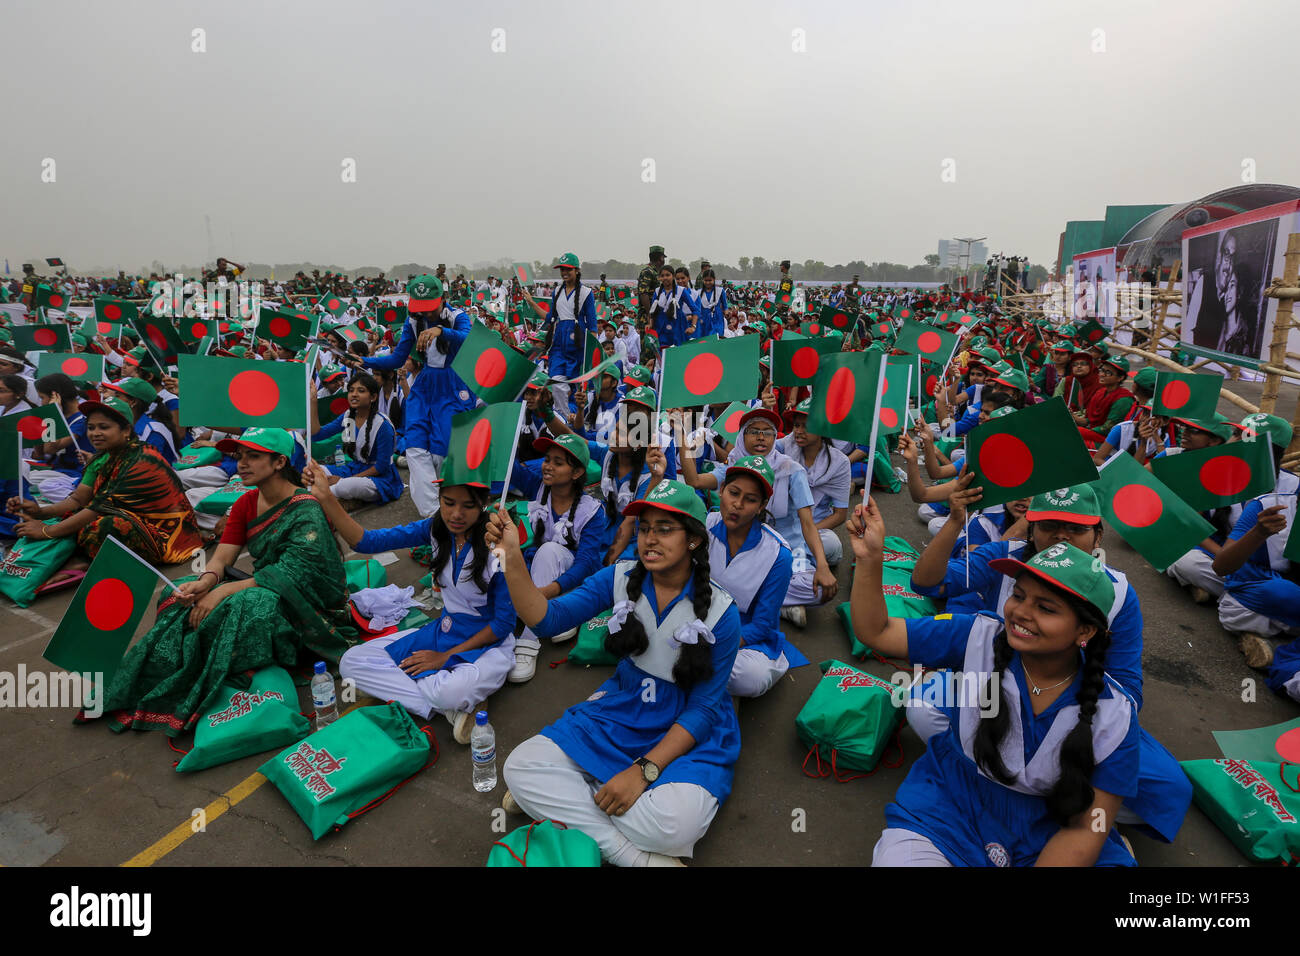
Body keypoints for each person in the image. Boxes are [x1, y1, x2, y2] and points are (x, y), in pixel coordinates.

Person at [849, 501, 1139, 867]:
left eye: (1046, 608)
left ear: (1085, 631)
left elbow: (1084, 828)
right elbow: (878, 631)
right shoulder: (977, 633)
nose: (1021, 612)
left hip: (1051, 829)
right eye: (1019, 595)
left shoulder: (1116, 714)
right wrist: (870, 558)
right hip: (951, 809)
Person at [490, 480, 742, 866]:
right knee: (519, 767)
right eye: (643, 529)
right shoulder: (619, 577)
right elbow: (546, 619)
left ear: (693, 540)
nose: (649, 539)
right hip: (623, 709)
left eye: (664, 529)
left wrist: (642, 771)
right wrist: (511, 557)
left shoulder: (723, 613)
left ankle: (567, 799)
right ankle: (635, 858)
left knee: (673, 826)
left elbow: (704, 709)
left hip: (686, 726)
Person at [81, 428, 356, 734]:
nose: (242, 464)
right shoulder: (246, 503)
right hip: (270, 585)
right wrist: (206, 581)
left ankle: (198, 668)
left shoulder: (306, 507)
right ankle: (171, 670)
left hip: (308, 606)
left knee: (243, 604)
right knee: (179, 594)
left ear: (279, 463)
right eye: (240, 456)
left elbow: (296, 572)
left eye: (253, 456)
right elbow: (223, 558)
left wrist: (224, 590)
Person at [310, 469, 515, 743]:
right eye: (449, 502)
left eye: (468, 506)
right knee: (351, 664)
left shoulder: (498, 545)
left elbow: (502, 624)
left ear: (483, 504)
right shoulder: (434, 529)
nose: (456, 514)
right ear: (439, 499)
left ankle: (447, 699)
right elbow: (366, 541)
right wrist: (326, 497)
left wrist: (445, 657)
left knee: (448, 691)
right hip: (443, 631)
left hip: (487, 645)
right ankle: (451, 710)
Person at [676, 408, 838, 626]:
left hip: (788, 549)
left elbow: (807, 523)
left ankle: (747, 597)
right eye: (753, 431)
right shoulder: (735, 465)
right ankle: (771, 602)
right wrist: (682, 440)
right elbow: (694, 480)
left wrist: (822, 565)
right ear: (742, 436)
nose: (761, 437)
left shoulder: (792, 470)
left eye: (768, 432)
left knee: (819, 590)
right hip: (744, 547)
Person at [7, 395, 202, 574]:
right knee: (73, 519)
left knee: (104, 527)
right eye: (91, 428)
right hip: (129, 517)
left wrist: (46, 531)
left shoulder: (142, 460)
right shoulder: (105, 456)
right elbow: (78, 498)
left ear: (126, 430)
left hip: (169, 534)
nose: (95, 433)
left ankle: (85, 560)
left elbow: (95, 509)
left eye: (104, 427)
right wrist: (41, 512)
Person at [351, 275, 473, 516]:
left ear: (443, 299)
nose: (426, 314)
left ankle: (446, 501)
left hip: (452, 384)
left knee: (442, 449)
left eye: (430, 309)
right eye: (422, 309)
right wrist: (364, 360)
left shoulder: (458, 316)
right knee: (416, 444)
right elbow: (397, 358)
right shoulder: (412, 322)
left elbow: (467, 337)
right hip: (425, 385)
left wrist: (441, 330)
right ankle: (432, 514)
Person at [506, 434, 609, 683]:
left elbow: (586, 564)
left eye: (558, 462)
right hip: (542, 572)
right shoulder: (539, 487)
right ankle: (554, 613)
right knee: (499, 550)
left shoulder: (592, 510)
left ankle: (529, 643)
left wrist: (545, 592)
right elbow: (513, 467)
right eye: (547, 459)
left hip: (573, 579)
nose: (548, 466)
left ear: (576, 473)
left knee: (549, 550)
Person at [705, 456, 800, 697]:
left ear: (762, 506)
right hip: (698, 623)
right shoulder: (704, 527)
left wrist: (709, 646)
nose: (737, 504)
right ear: (722, 490)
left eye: (750, 500)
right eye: (733, 493)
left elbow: (761, 625)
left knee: (750, 679)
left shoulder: (778, 554)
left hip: (744, 638)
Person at [309, 372, 402, 504]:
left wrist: (342, 480)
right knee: (313, 470)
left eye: (361, 391)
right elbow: (318, 434)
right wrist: (313, 402)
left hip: (379, 478)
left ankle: (321, 496)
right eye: (351, 390)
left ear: (373, 397)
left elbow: (381, 468)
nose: (354, 394)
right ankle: (325, 492)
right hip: (354, 469)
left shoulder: (383, 426)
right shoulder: (348, 416)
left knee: (344, 486)